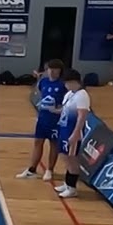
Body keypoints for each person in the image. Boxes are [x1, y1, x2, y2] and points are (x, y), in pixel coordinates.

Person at [16, 59, 66, 181]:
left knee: (53, 144)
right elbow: (40, 94)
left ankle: (49, 170)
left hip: (56, 120)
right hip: (42, 118)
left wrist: (59, 109)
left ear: (60, 71)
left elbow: (68, 102)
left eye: (55, 70)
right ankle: (32, 169)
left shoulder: (63, 85)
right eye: (50, 69)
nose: (52, 72)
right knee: (38, 142)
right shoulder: (43, 82)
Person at [54, 70, 91, 200]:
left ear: (75, 82)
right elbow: (65, 110)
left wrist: (76, 133)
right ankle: (67, 183)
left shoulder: (82, 95)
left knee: (72, 158)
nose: (66, 86)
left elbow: (82, 116)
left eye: (68, 83)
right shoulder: (70, 94)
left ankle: (72, 188)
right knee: (65, 157)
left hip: (72, 130)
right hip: (64, 129)